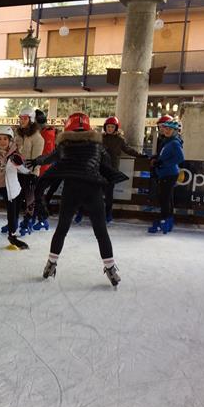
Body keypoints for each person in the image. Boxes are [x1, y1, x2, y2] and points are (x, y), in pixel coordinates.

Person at [28, 112, 127, 286]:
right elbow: (107, 164)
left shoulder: (64, 146)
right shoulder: (97, 146)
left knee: (62, 229)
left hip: (71, 191)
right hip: (93, 191)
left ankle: (51, 264)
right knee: (101, 231)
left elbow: (48, 159)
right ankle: (110, 269)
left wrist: (36, 161)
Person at [101, 116, 144, 222]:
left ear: (116, 128)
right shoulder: (100, 138)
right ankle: (94, 213)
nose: (110, 129)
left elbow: (127, 149)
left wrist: (139, 155)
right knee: (96, 192)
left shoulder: (119, 140)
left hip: (112, 169)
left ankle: (108, 213)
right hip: (100, 168)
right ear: (105, 127)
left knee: (109, 193)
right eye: (108, 127)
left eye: (112, 127)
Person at [148, 119, 184, 234]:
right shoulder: (167, 141)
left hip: (169, 174)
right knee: (167, 198)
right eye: (166, 129)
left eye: (170, 129)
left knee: (164, 199)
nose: (167, 131)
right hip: (165, 173)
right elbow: (164, 155)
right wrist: (156, 158)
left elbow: (180, 158)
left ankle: (164, 222)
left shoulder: (174, 142)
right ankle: (168, 221)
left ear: (175, 131)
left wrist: (163, 163)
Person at [12, 108, 44, 235]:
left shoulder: (37, 138)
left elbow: (36, 160)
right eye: (20, 118)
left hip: (30, 173)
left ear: (30, 119)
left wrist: (32, 174)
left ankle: (27, 222)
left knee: (30, 200)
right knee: (16, 199)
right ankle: (13, 221)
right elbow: (13, 150)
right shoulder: (18, 135)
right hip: (17, 172)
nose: (22, 121)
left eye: (25, 118)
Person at [33, 109, 57, 231]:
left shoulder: (46, 134)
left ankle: (42, 219)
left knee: (37, 193)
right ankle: (36, 217)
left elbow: (46, 154)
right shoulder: (45, 132)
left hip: (42, 168)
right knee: (35, 193)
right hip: (39, 167)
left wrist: (35, 161)